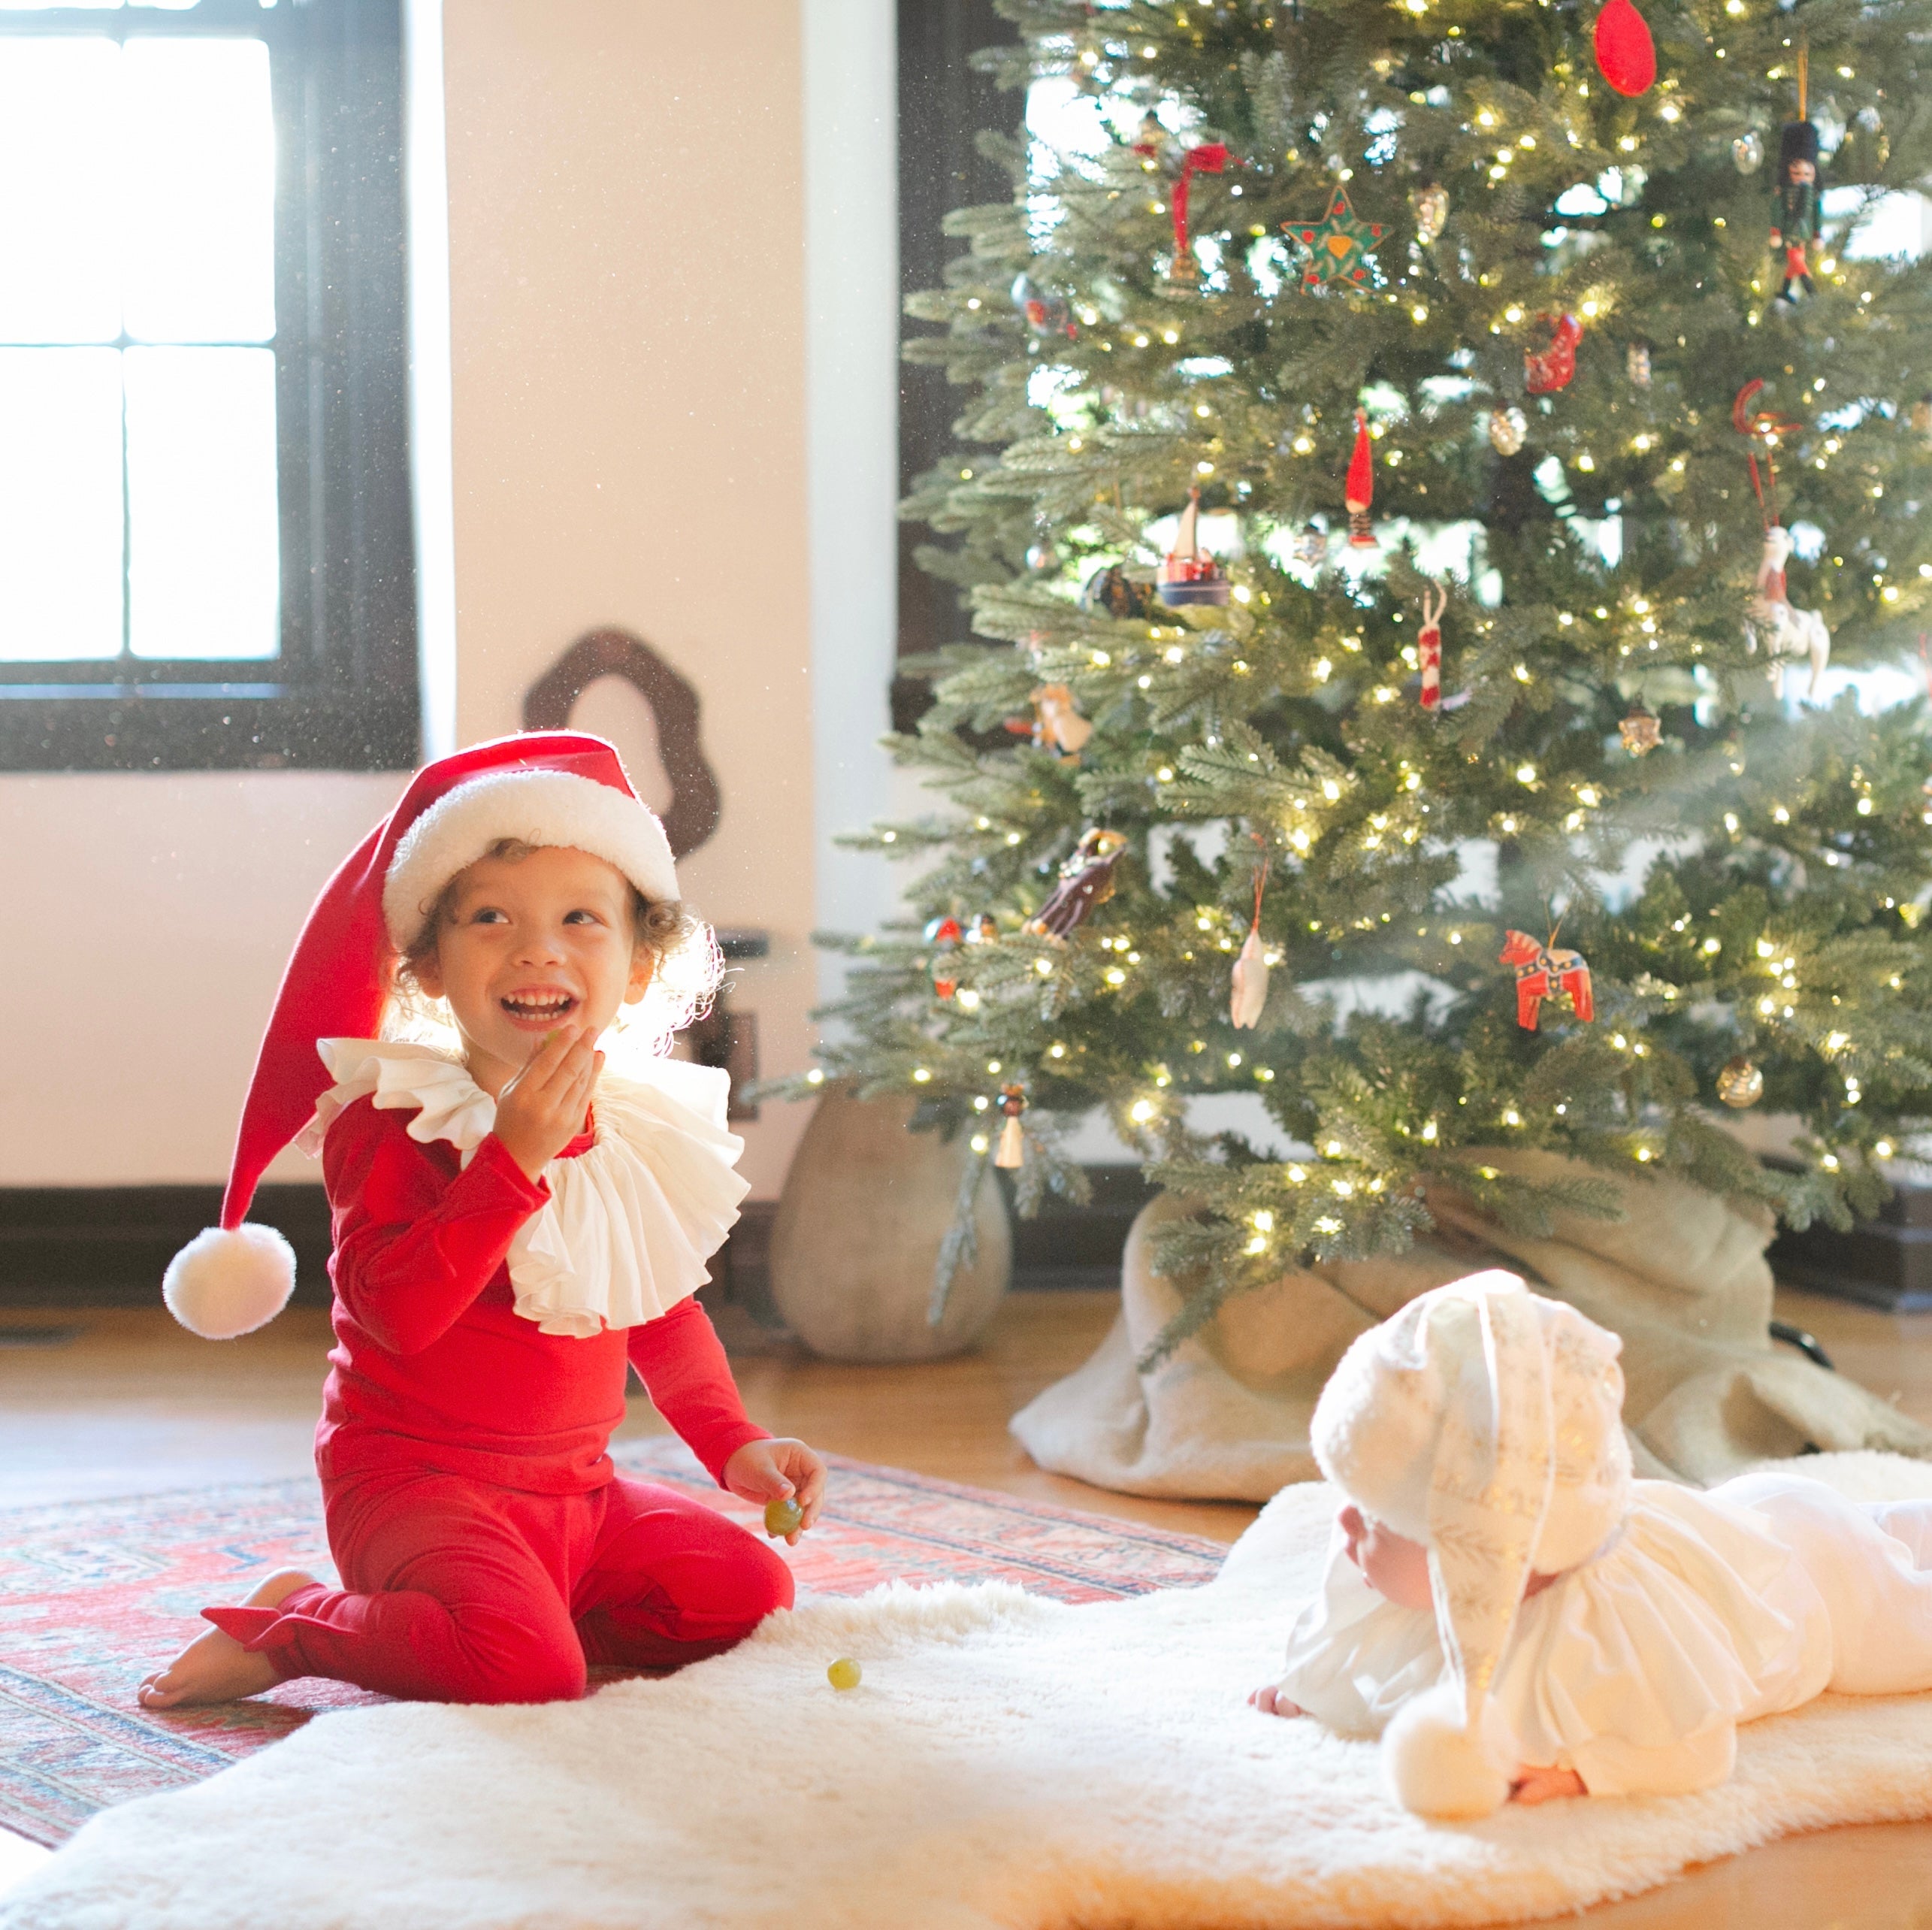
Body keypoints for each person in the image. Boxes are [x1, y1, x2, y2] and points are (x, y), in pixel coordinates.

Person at [138, 734, 823, 1709]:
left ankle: (503, 1615)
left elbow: (659, 1310)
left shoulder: (624, 1124)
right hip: (413, 1486)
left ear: (635, 970)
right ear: (425, 969)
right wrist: (511, 1160)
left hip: (577, 1492)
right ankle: (298, 1626)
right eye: (490, 918)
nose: (537, 948)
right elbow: (397, 1316)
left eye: (581, 919)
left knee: (751, 1593)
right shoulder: (391, 1120)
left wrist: (733, 1443)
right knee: (529, 1674)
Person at [1248, 1271, 1932, 1817]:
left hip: (1826, 1596)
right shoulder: (1401, 1576)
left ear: (1486, 1553)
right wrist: (1309, 1688)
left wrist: (1583, 1773)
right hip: (1761, 1516)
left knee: (1904, 1610)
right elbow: (1363, 1658)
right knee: (1877, 1526)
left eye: (1375, 1520)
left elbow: (1695, 1749)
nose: (1344, 1529)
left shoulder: (1606, 1626)